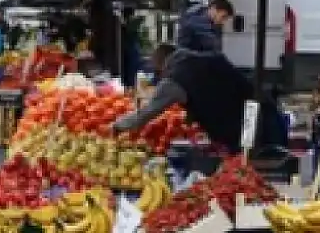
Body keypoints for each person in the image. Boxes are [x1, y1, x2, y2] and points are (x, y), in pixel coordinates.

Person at [111, 43, 282, 153]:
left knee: (246, 165)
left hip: (236, 128)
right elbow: (211, 90)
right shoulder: (208, 57)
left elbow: (145, 114)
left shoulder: (173, 80)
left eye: (158, 71)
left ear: (163, 65)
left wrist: (118, 125)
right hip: (261, 111)